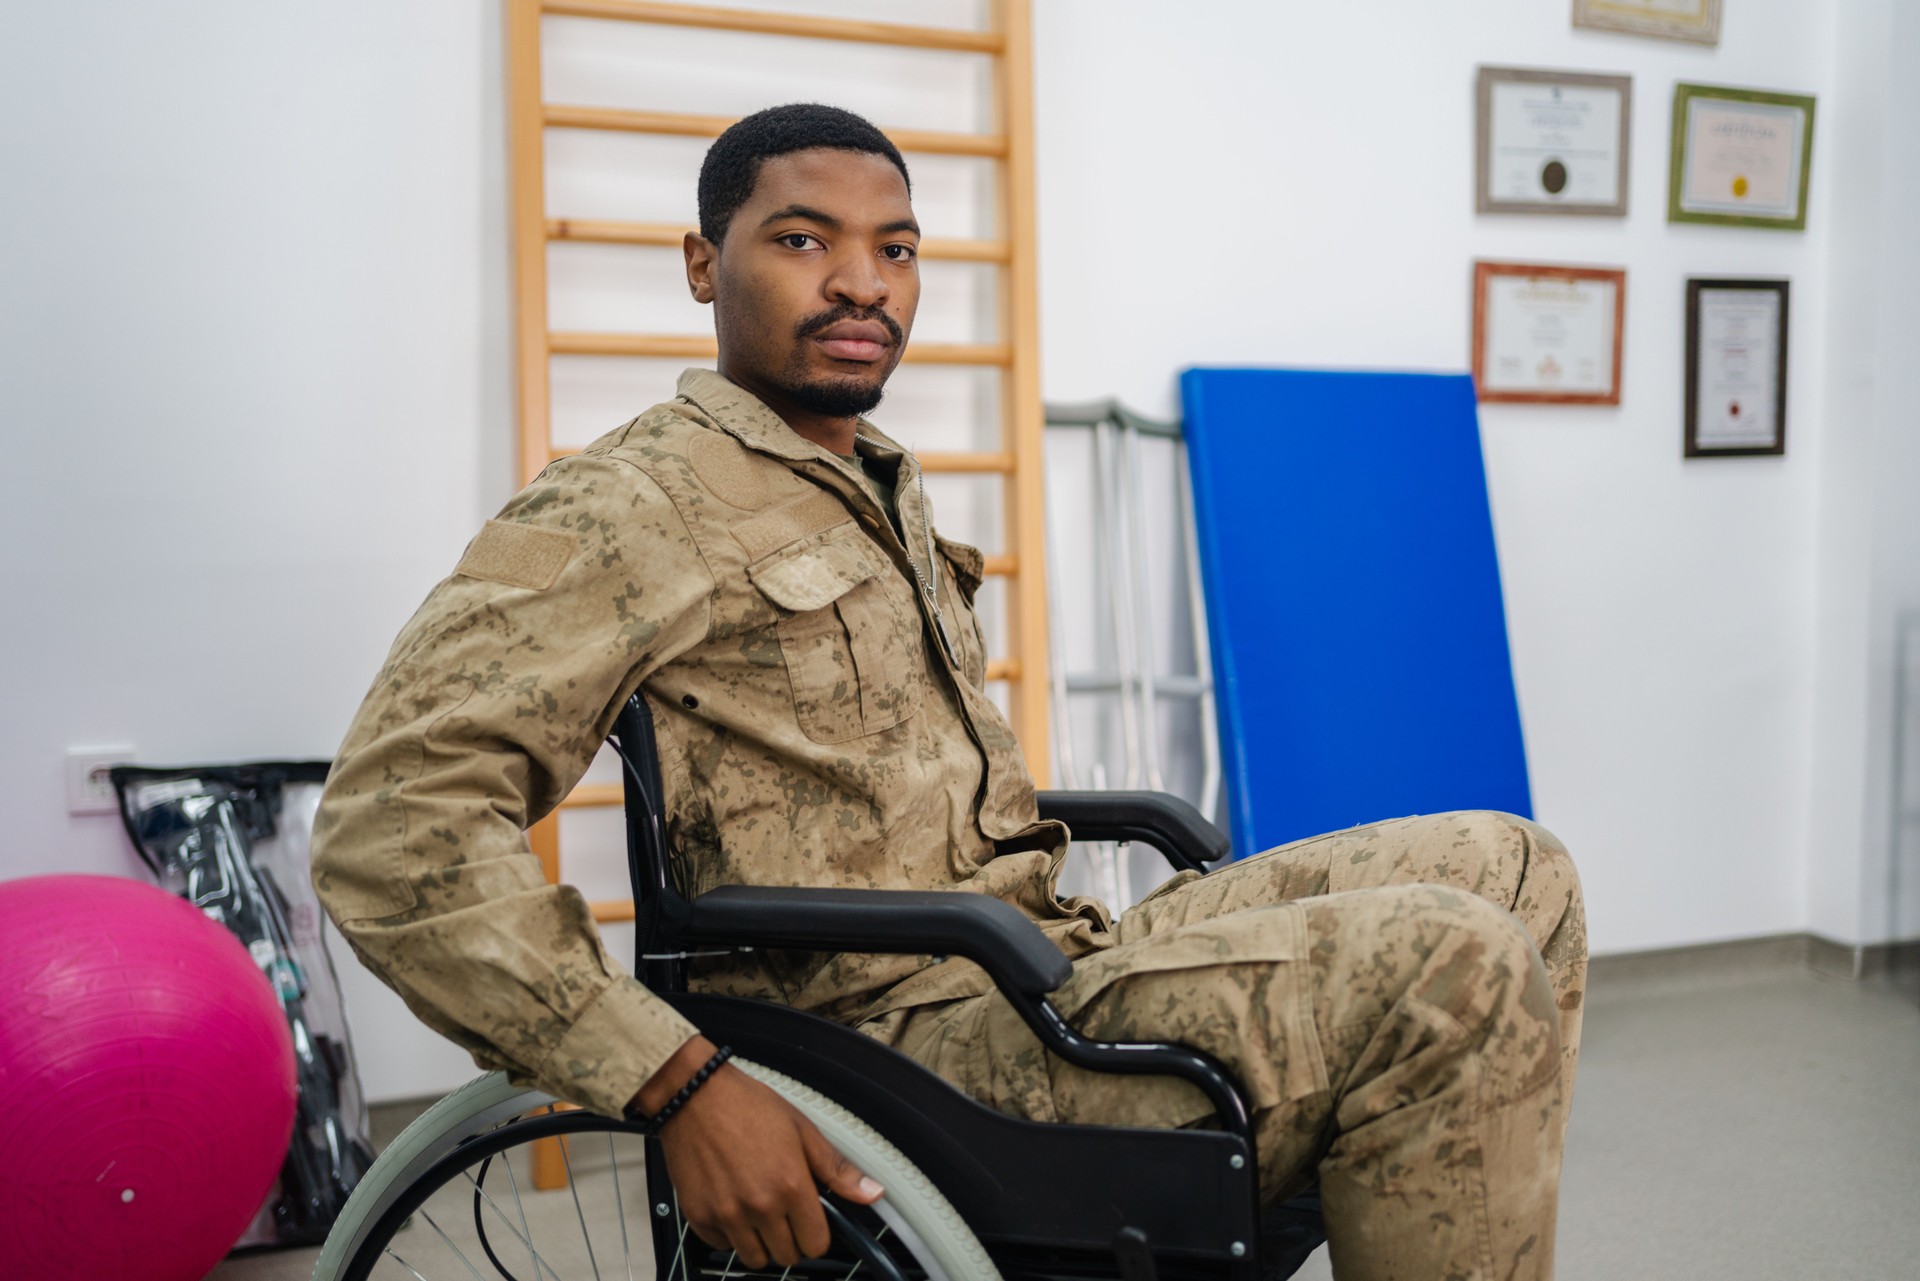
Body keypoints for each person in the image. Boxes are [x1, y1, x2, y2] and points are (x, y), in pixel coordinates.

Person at [312, 102, 1587, 1279]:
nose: (864, 281)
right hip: (892, 1043)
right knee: (1449, 967)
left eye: (898, 249)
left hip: (1033, 957)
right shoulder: (630, 506)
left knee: (1519, 868)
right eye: (804, 239)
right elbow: (391, 829)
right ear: (704, 264)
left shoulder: (871, 476)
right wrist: (676, 1081)